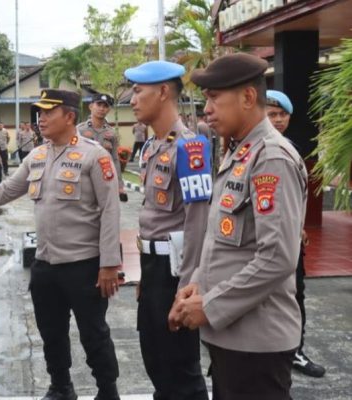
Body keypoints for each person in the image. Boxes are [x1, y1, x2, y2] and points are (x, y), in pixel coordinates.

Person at [0, 89, 122, 400]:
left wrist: (109, 264)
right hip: (46, 264)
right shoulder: (37, 155)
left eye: (48, 112)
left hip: (84, 265)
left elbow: (111, 211)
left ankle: (107, 390)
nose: (41, 118)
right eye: (40, 112)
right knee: (51, 333)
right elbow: (5, 190)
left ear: (70, 117)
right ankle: (61, 387)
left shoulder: (94, 156)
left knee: (94, 334)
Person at [169, 53, 307, 400]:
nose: (207, 110)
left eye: (215, 98)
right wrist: (197, 283)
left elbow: (277, 258)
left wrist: (210, 305)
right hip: (233, 337)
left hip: (257, 342)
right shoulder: (240, 153)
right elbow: (224, 240)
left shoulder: (271, 158)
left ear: (247, 97)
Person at [125, 61, 210, 400]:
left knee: (181, 367)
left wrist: (188, 286)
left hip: (176, 272)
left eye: (137, 91)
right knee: (155, 358)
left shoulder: (190, 148)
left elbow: (198, 222)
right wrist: (145, 275)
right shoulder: (152, 146)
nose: (132, 99)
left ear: (162, 92)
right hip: (154, 268)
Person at [266, 89, 326, 378]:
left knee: (295, 294)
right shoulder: (248, 148)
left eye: (282, 115)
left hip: (289, 239)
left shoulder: (291, 148)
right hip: (262, 240)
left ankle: (296, 352)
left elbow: (296, 196)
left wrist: (299, 225)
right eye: (271, 115)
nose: (277, 120)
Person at [77, 94, 127, 202]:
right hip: (84, 180)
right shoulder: (79, 131)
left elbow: (115, 159)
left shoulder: (111, 133)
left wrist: (119, 184)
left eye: (105, 106)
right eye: (99, 104)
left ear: (108, 109)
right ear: (91, 106)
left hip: (105, 179)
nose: (101, 108)